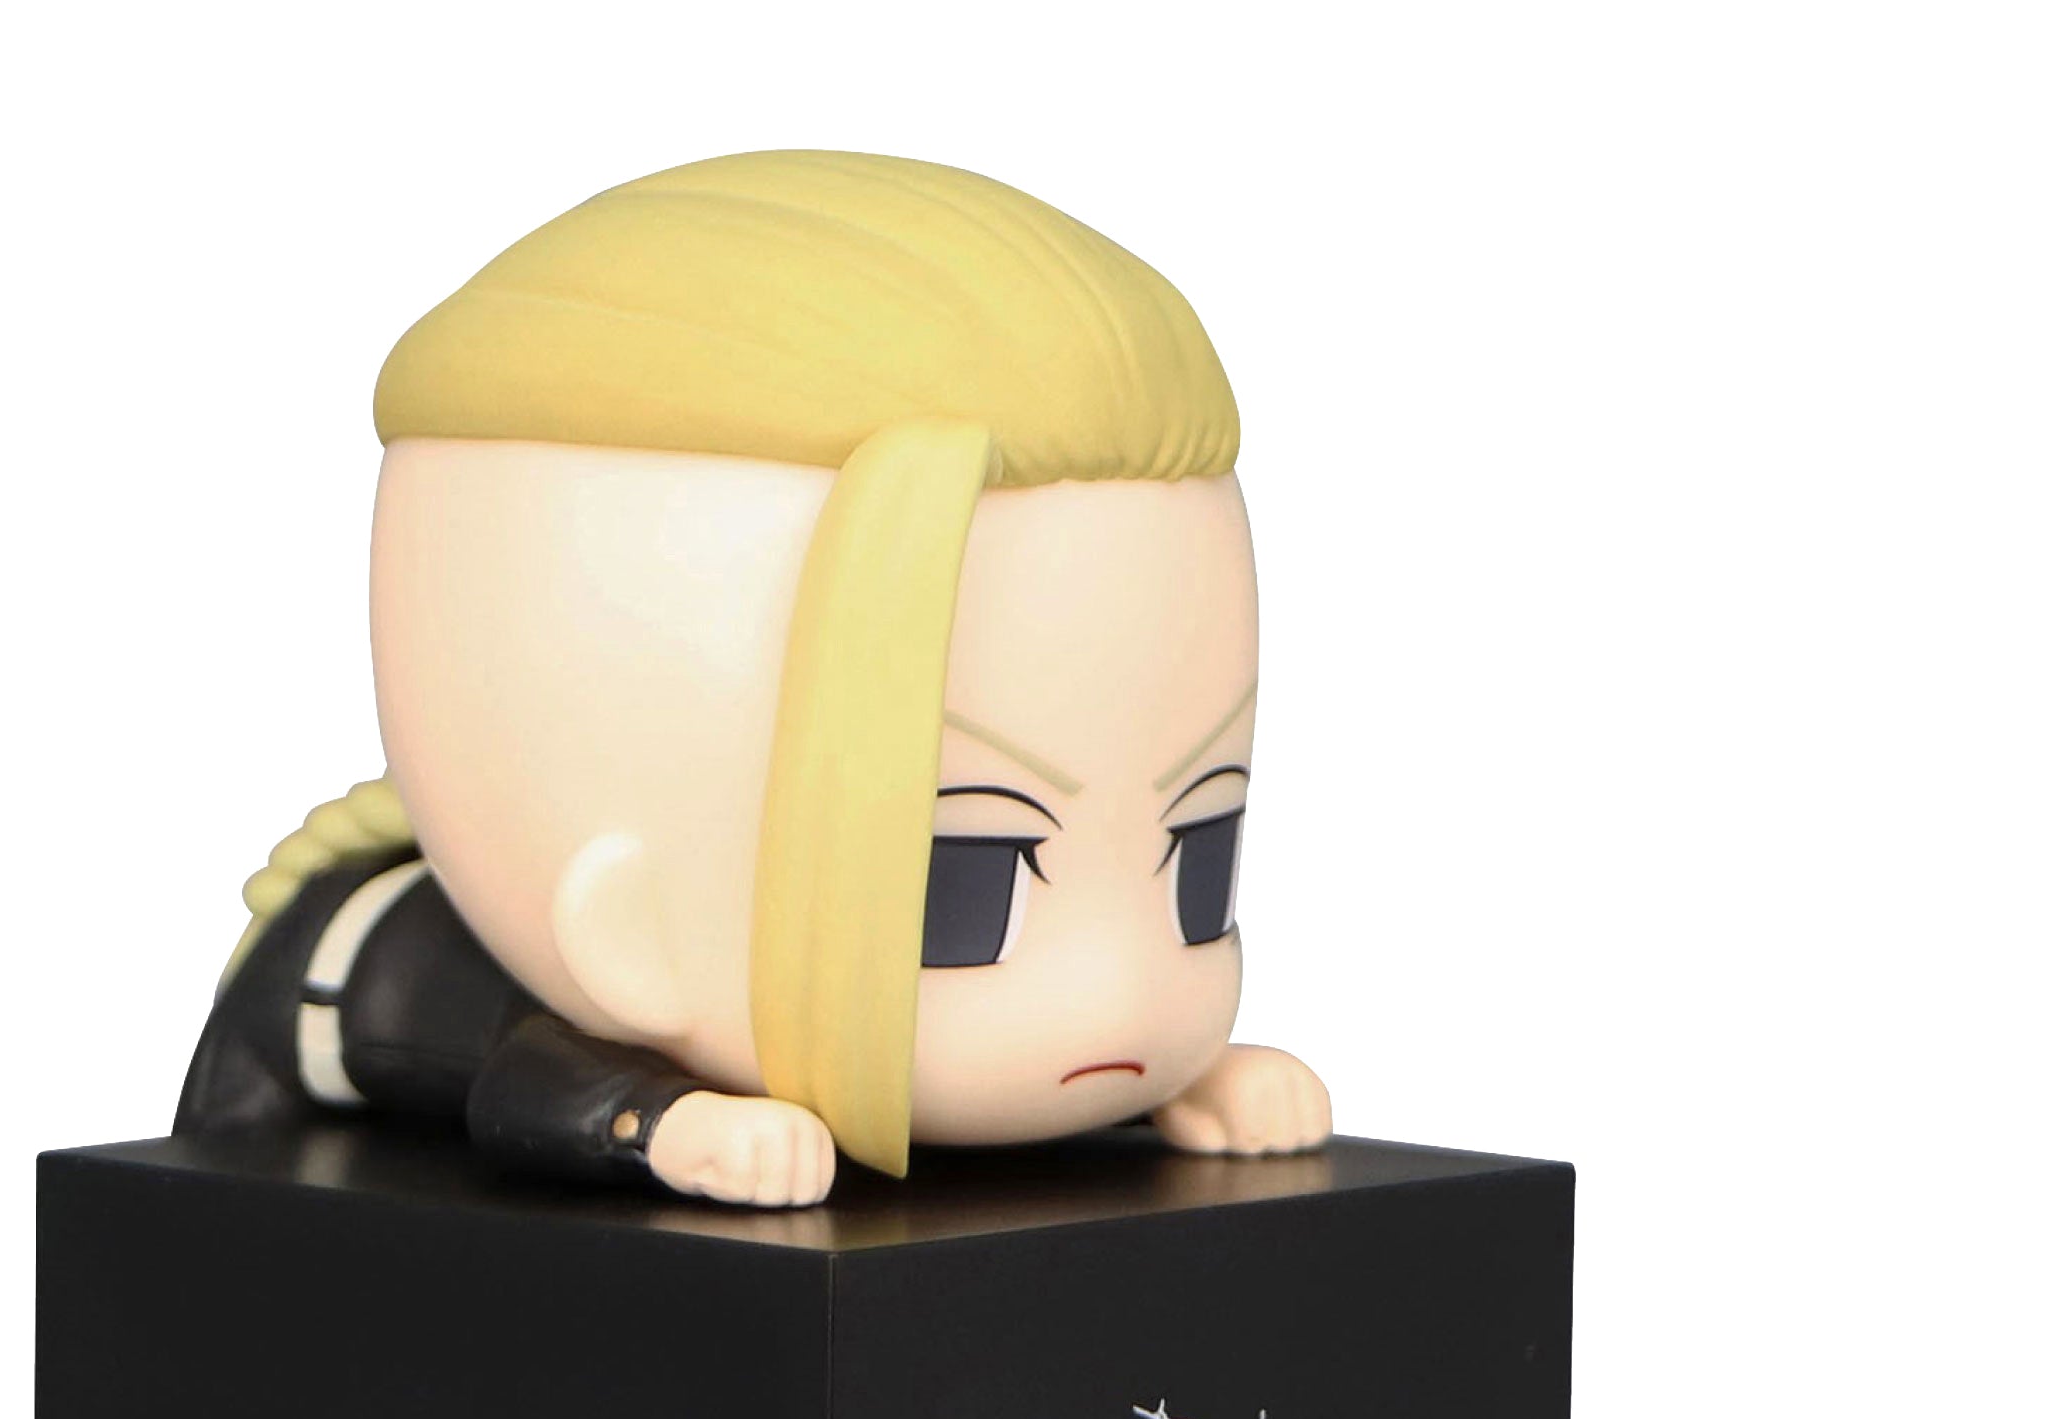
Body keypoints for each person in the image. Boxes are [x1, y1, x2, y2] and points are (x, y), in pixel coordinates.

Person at [178, 151, 1330, 1206]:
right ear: (622, 923)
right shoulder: (509, 1013)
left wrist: (1193, 1084)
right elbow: (531, 1090)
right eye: (966, 892)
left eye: (1201, 868)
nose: (1118, 994)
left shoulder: (1077, 1048)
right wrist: (664, 1126)